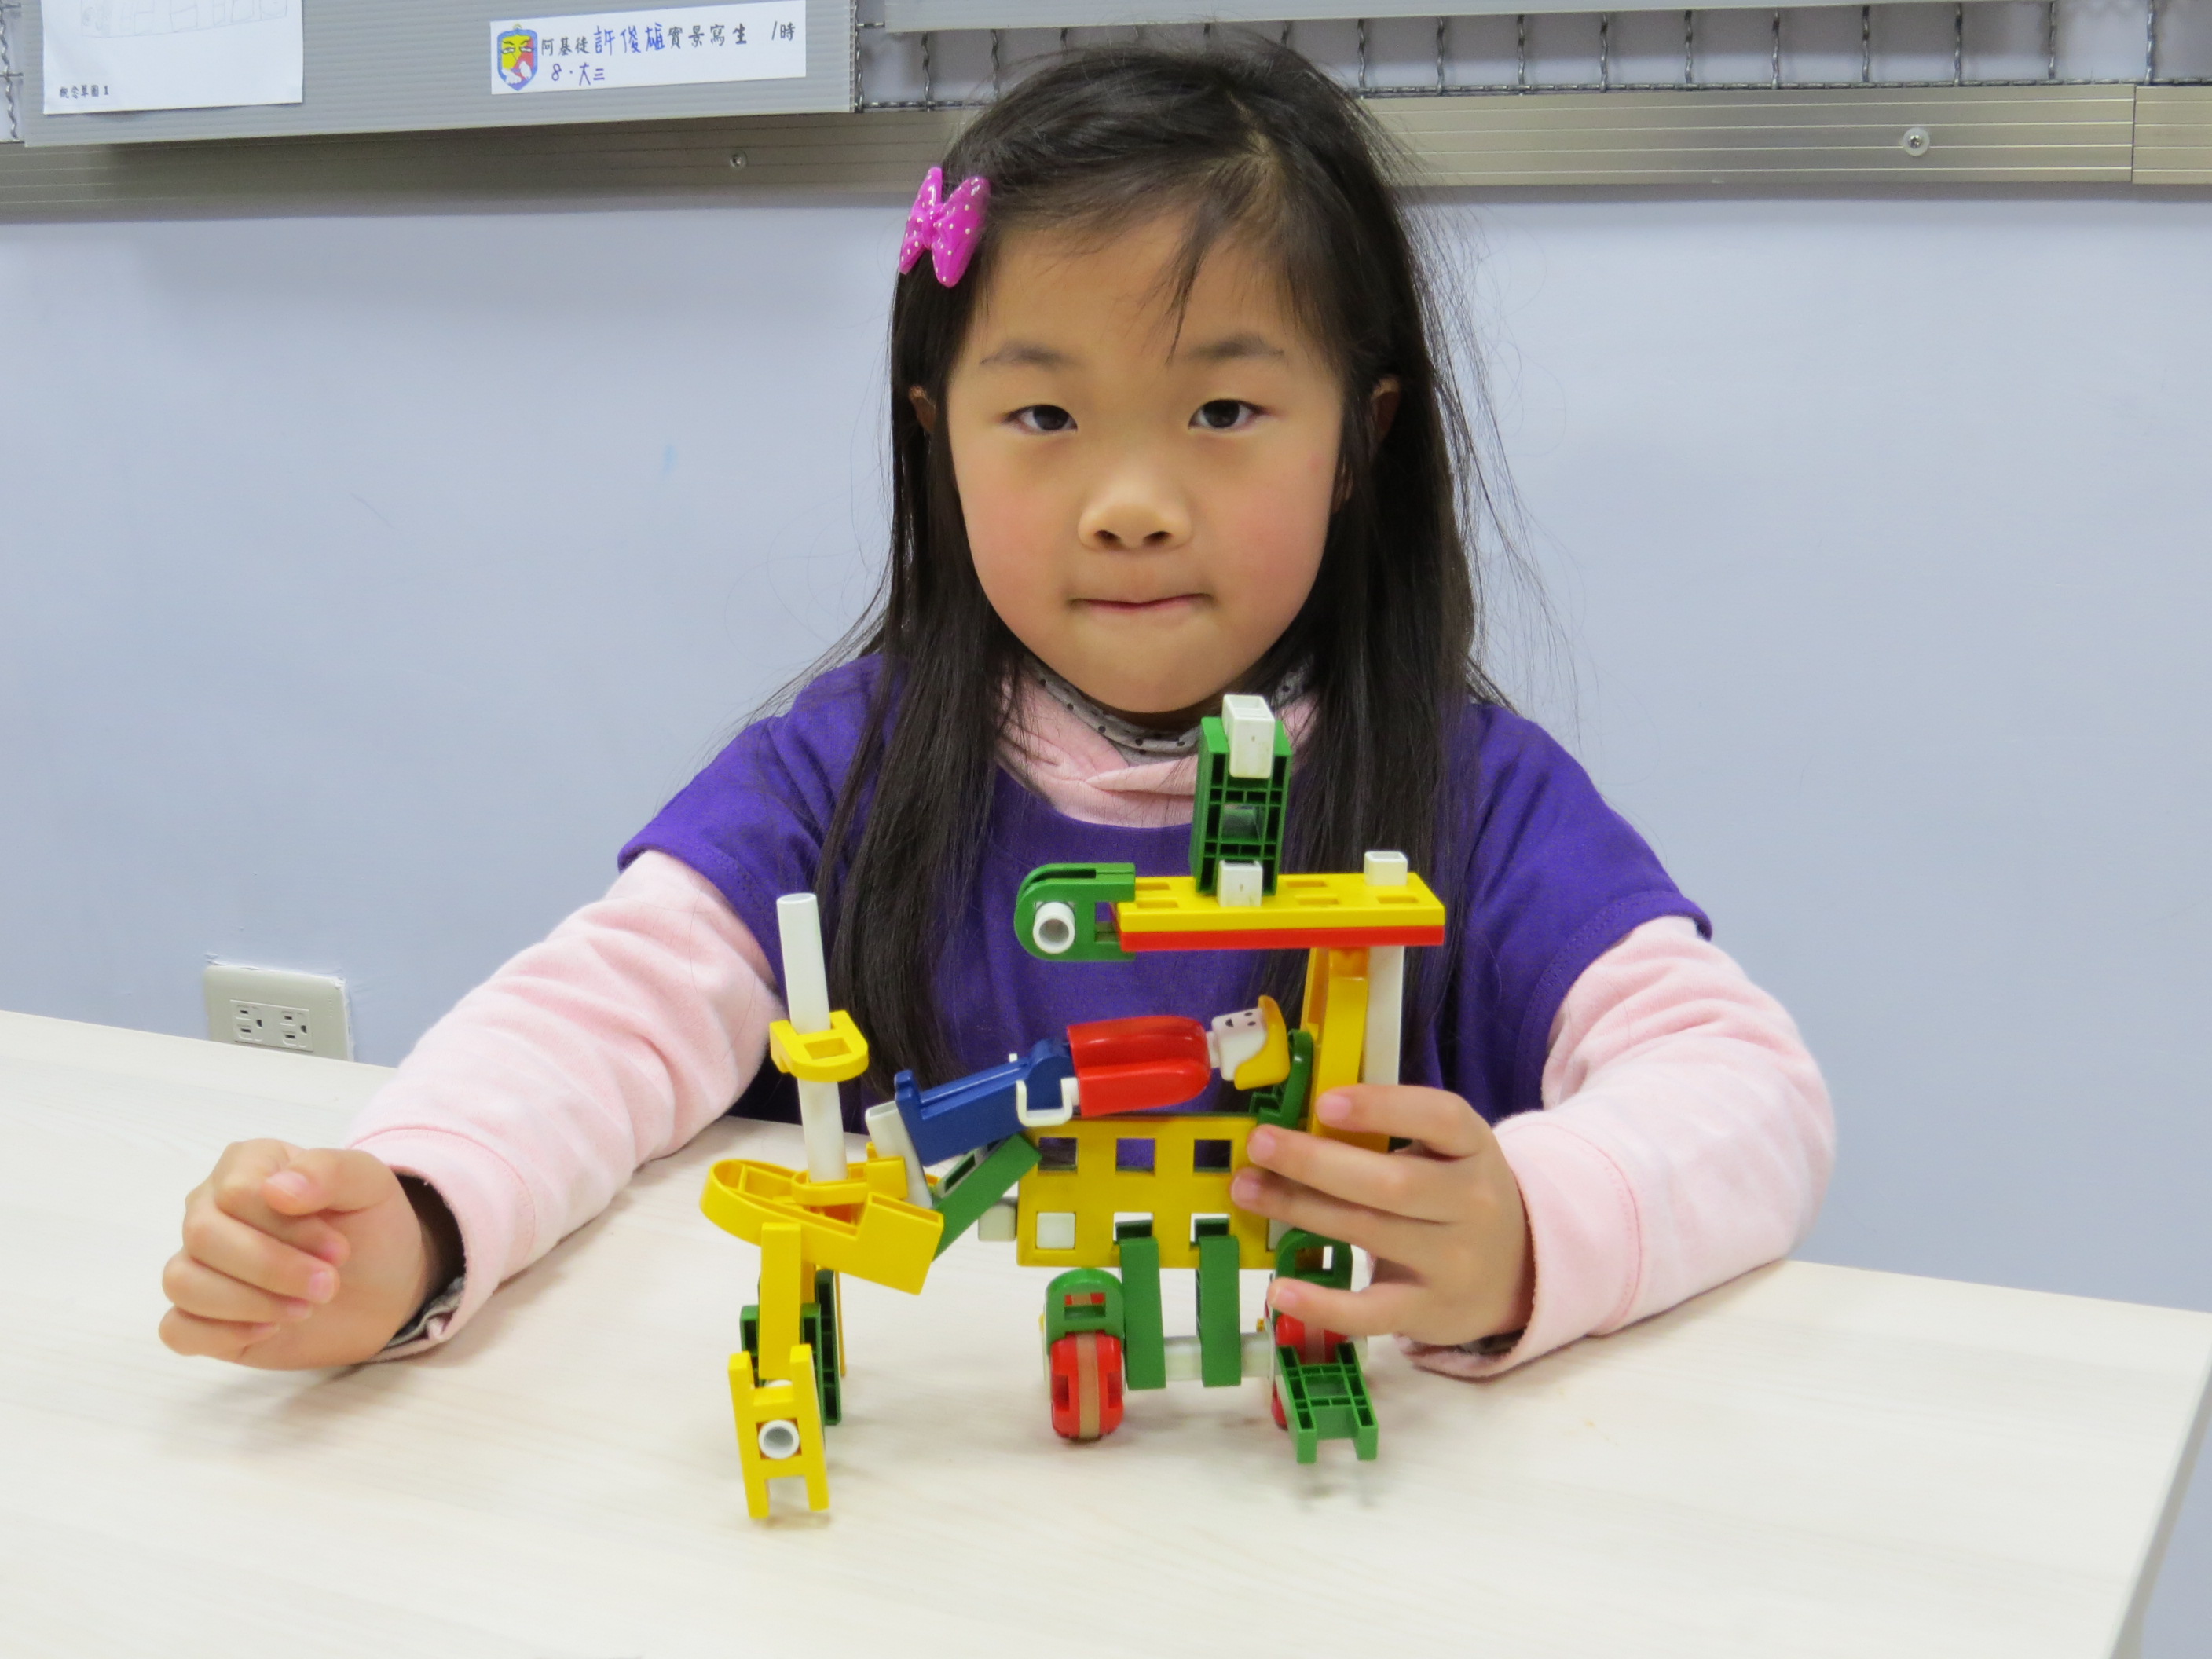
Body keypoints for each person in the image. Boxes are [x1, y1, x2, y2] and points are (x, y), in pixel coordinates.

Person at [156, 41, 1831, 1381]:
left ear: (1360, 442)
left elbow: (1748, 1093)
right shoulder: (839, 773)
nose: (1130, 504)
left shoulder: (1474, 796)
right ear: (934, 437)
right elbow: (595, 1024)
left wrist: (1532, 1225)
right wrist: (419, 1212)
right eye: (1041, 416)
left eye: (1224, 410)